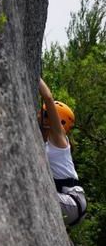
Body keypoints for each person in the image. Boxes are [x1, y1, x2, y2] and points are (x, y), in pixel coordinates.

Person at [38, 78, 87, 226]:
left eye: (43, 112)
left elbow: (48, 97)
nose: (38, 114)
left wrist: (36, 77)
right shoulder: (48, 143)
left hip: (72, 202)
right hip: (72, 203)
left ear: (50, 119)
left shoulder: (59, 140)